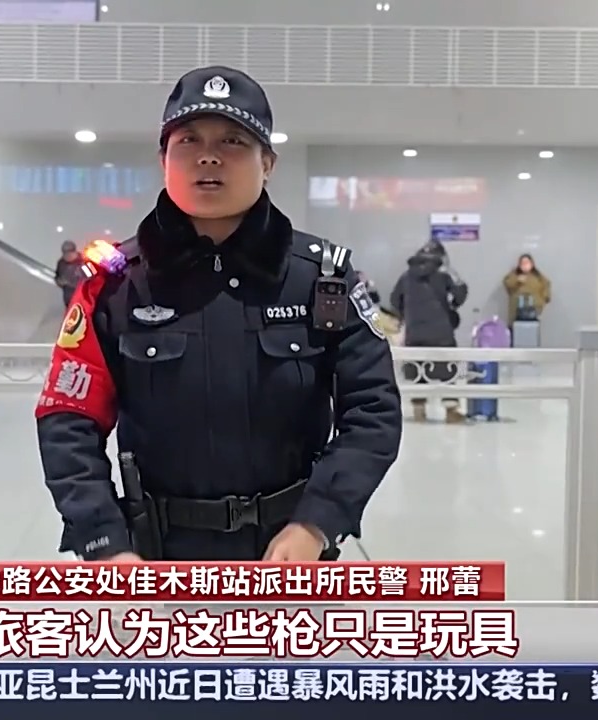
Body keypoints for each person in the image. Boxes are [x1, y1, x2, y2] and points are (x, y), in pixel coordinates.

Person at [35, 65, 403, 563]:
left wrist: (317, 523)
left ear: (267, 163)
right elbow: (67, 418)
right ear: (163, 160)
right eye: (188, 140)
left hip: (291, 562)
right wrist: (104, 541)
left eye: (233, 141)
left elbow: (373, 410)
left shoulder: (322, 280)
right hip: (155, 566)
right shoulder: (116, 287)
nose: (208, 156)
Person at [390, 243, 468, 423]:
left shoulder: (406, 276)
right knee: (447, 371)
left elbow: (394, 300)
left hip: (415, 332)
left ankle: (419, 410)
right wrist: (452, 306)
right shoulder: (444, 274)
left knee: (417, 370)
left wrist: (407, 316)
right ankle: (451, 411)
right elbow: (460, 295)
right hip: (441, 332)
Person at [502, 253, 551, 323]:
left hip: (534, 308)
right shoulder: (514, 274)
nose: (525, 265)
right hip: (516, 310)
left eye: (527, 263)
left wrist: (543, 299)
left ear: (532, 264)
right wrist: (517, 280)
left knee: (531, 326)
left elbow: (547, 285)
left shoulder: (538, 276)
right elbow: (507, 283)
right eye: (523, 263)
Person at [54, 240, 83, 308]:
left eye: (69, 254)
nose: (67, 257)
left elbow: (91, 279)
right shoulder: (61, 263)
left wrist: (71, 282)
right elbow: (57, 277)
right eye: (65, 254)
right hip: (68, 300)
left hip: (82, 300)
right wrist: (59, 281)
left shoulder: (84, 262)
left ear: (74, 251)